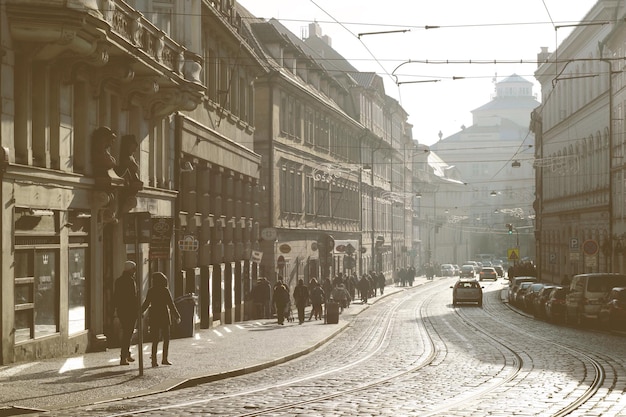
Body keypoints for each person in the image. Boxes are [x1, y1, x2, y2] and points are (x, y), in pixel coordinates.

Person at [141, 272, 180, 367]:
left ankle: (154, 361)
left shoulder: (151, 290)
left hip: (154, 316)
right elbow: (171, 304)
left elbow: (146, 303)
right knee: (166, 338)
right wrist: (177, 315)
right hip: (164, 316)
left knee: (155, 339)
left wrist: (140, 312)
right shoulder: (165, 290)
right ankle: (164, 359)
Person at [113, 260, 139, 365]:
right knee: (128, 334)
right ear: (130, 270)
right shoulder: (130, 281)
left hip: (121, 310)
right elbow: (133, 298)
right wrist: (137, 310)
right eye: (134, 269)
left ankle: (127, 354)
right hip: (130, 311)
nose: (135, 271)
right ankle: (123, 357)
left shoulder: (118, 280)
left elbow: (116, 296)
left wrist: (115, 309)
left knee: (127, 333)